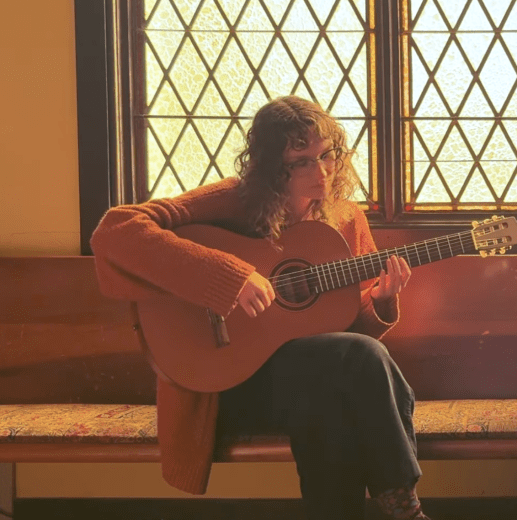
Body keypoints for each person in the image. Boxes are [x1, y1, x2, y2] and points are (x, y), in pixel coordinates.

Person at [90, 96, 430, 520]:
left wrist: (379, 302)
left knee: (329, 399)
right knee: (354, 366)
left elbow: (343, 332)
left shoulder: (345, 218)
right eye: (300, 161)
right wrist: (229, 277)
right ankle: (405, 508)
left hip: (308, 383)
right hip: (225, 383)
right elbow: (115, 230)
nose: (320, 170)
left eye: (326, 155)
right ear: (271, 166)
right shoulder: (234, 200)